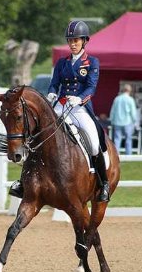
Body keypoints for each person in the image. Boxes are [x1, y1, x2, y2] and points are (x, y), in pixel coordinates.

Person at [9, 20, 110, 202]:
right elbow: (55, 83)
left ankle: (103, 184)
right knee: (35, 136)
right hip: (60, 106)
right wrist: (52, 94)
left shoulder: (92, 62)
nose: (72, 44)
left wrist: (79, 98)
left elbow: (91, 87)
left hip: (79, 108)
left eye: (76, 41)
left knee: (94, 143)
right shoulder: (62, 63)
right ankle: (22, 182)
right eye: (70, 41)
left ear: (84, 41)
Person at [109, 84, 137, 155]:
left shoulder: (117, 99)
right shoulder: (130, 100)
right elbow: (133, 112)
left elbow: (113, 111)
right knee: (128, 139)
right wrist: (134, 121)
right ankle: (128, 154)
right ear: (129, 91)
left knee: (117, 139)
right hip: (127, 122)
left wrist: (111, 120)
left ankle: (116, 154)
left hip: (117, 122)